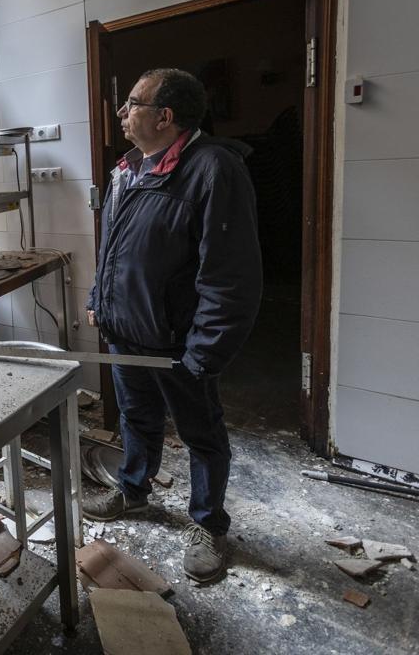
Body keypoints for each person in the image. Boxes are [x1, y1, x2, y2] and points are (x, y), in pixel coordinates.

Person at [85, 68, 262, 582]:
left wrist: (206, 349)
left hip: (177, 343)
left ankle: (207, 523)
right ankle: (134, 491)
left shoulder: (212, 170)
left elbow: (230, 274)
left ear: (165, 116)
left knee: (201, 434)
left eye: (132, 103)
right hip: (127, 332)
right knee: (135, 418)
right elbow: (113, 247)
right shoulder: (129, 168)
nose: (122, 113)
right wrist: (101, 298)